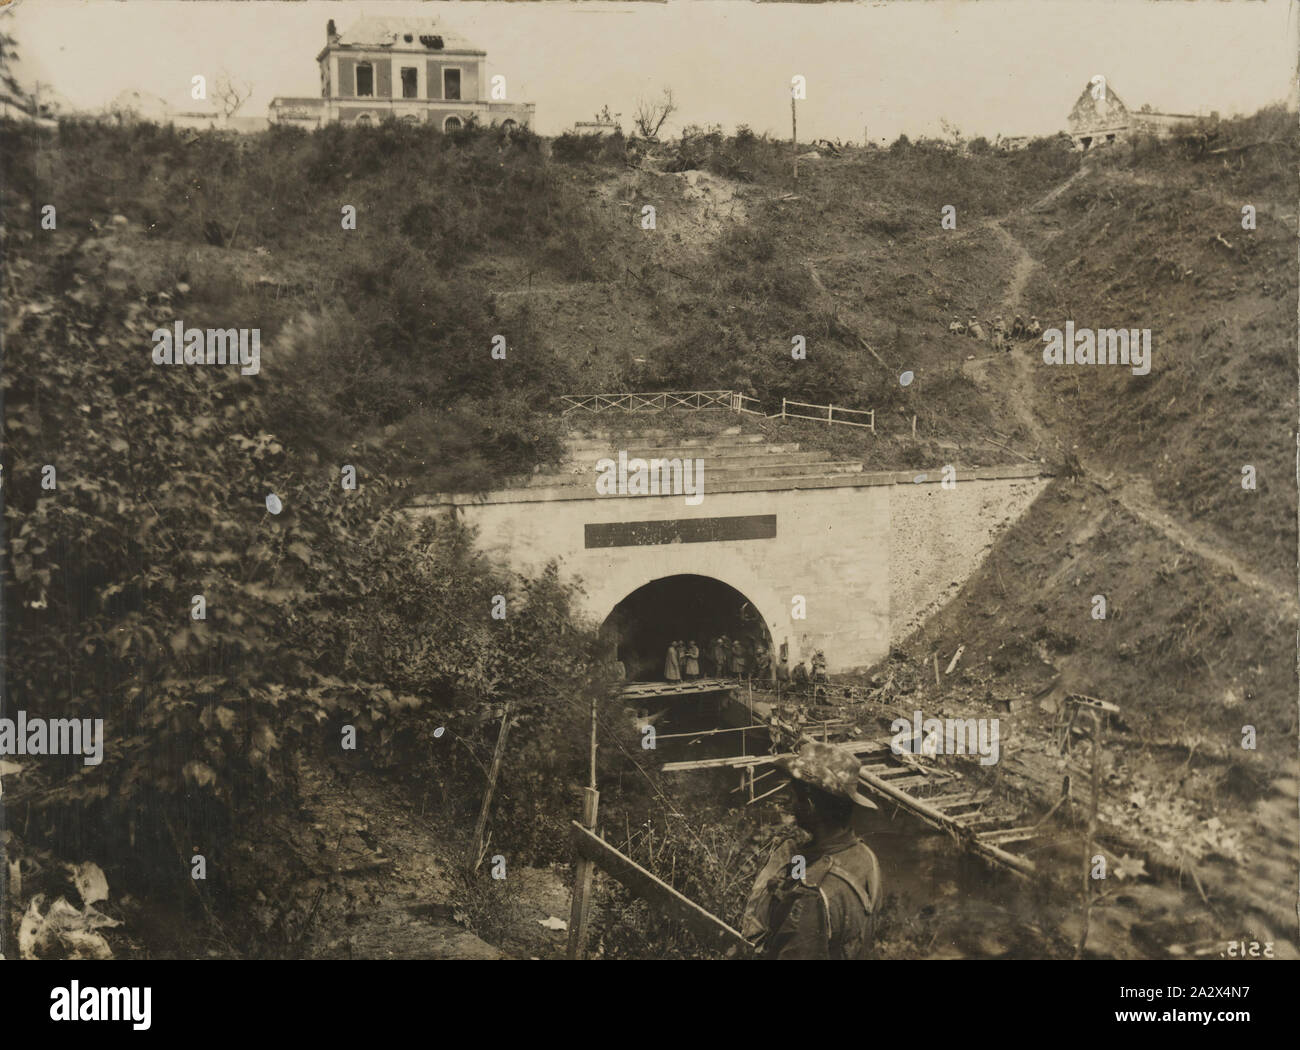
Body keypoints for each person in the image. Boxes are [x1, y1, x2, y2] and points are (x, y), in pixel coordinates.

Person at [745, 742, 882, 960]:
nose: (790, 803)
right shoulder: (866, 857)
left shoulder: (812, 897)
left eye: (794, 796)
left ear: (809, 805)